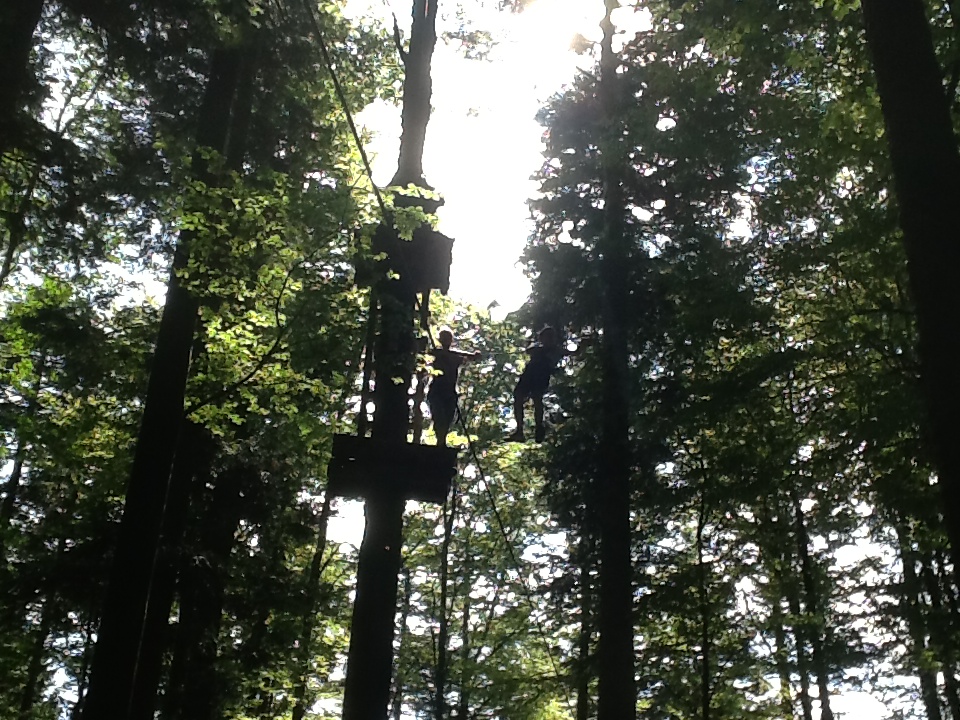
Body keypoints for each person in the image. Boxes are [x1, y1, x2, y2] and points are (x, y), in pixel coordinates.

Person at [427, 330, 480, 447]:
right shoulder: (437, 353)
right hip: (437, 390)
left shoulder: (455, 357)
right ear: (440, 340)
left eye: (448, 338)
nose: (446, 341)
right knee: (439, 415)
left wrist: (473, 356)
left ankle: (442, 440)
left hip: (450, 392)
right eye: (444, 338)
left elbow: (467, 357)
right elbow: (432, 353)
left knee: (448, 417)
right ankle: (440, 440)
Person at [510, 326, 562, 442]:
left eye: (549, 337)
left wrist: (583, 346)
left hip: (541, 374)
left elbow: (572, 352)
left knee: (537, 398)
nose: (547, 340)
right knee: (518, 396)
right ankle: (519, 431)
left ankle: (538, 427)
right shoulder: (537, 348)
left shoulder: (555, 350)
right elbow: (530, 350)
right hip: (530, 374)